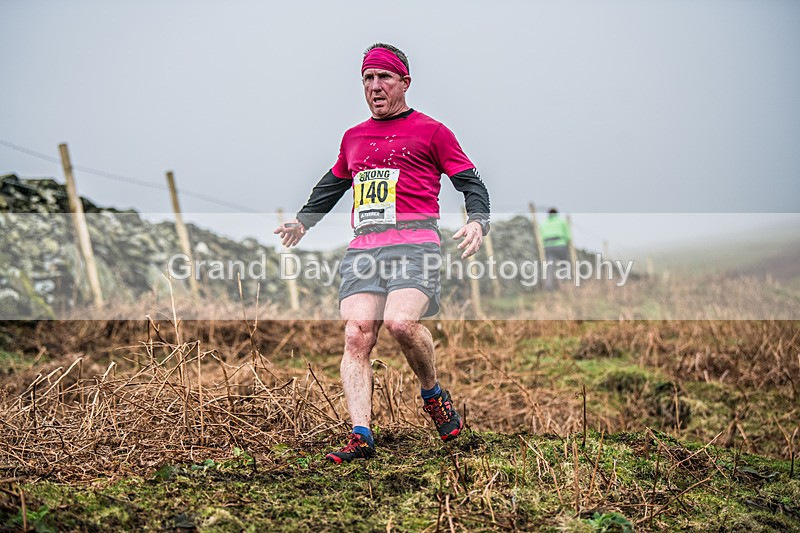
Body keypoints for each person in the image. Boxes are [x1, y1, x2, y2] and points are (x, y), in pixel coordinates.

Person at [274, 43, 490, 463]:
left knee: (400, 323)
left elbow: (472, 183)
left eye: (384, 78)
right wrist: (304, 220)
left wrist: (477, 220)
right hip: (365, 247)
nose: (375, 87)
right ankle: (361, 434)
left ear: (405, 83)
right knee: (356, 334)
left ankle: (432, 393)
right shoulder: (353, 137)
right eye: (367, 79)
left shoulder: (432, 131)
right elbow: (333, 183)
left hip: (416, 243)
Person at [540, 208, 572, 290]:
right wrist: (566, 243)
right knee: (564, 264)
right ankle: (563, 285)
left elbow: (540, 236)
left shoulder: (543, 223)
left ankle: (549, 286)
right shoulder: (562, 221)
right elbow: (568, 236)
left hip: (548, 246)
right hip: (560, 244)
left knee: (549, 266)